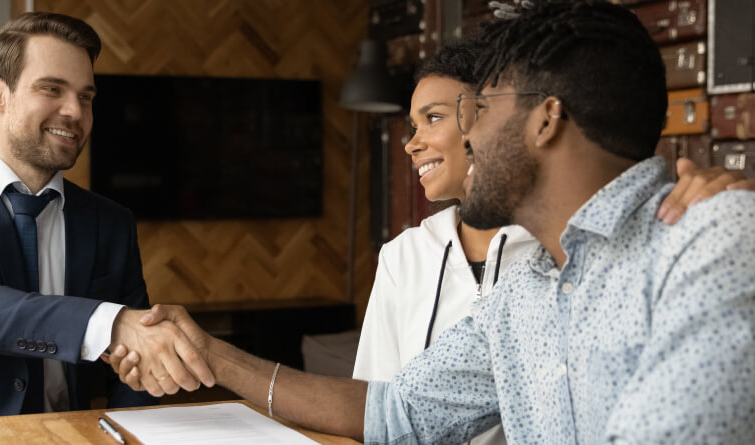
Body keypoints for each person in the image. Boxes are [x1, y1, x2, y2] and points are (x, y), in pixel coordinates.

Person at [108, 1, 755, 442]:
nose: (466, 134)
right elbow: (396, 410)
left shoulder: (713, 240)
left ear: (546, 119)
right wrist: (212, 354)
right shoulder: (527, 291)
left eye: (482, 107)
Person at [354, 38, 753, 445]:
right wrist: (280, 381)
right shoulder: (515, 279)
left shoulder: (698, 236)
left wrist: (726, 211)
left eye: (441, 117)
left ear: (543, 120)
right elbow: (392, 409)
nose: (412, 143)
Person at [0, 12, 213, 420]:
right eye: (52, 88)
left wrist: (127, 430)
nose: (75, 111)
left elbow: (131, 371)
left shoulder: (112, 222)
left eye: (86, 97)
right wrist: (108, 323)